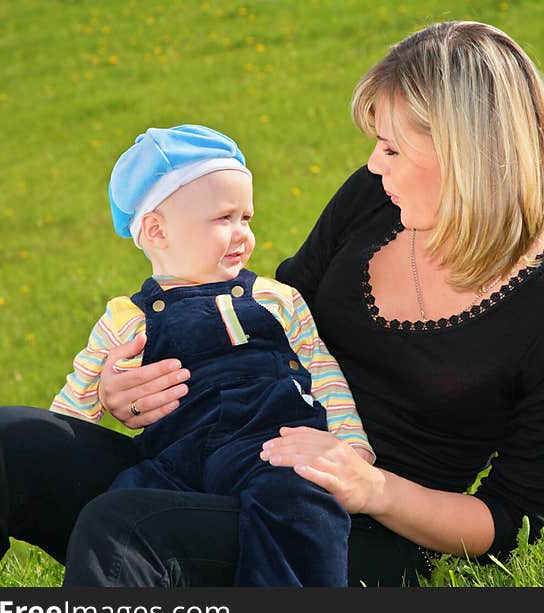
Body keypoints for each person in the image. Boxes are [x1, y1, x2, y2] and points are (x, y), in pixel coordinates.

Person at [0, 20, 544, 588]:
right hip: (224, 451)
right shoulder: (376, 201)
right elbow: (273, 317)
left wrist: (371, 487)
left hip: (351, 534)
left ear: (467, 157)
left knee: (125, 528)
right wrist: (127, 387)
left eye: (391, 147)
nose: (373, 164)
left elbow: (507, 523)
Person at [49, 123, 374, 586]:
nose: (243, 233)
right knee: (117, 511)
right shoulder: (125, 318)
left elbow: (322, 374)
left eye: (247, 218)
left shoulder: (275, 298)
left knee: (300, 504)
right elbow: (78, 400)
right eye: (224, 218)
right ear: (157, 230)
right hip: (176, 463)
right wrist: (60, 447)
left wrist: (351, 445)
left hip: (271, 445)